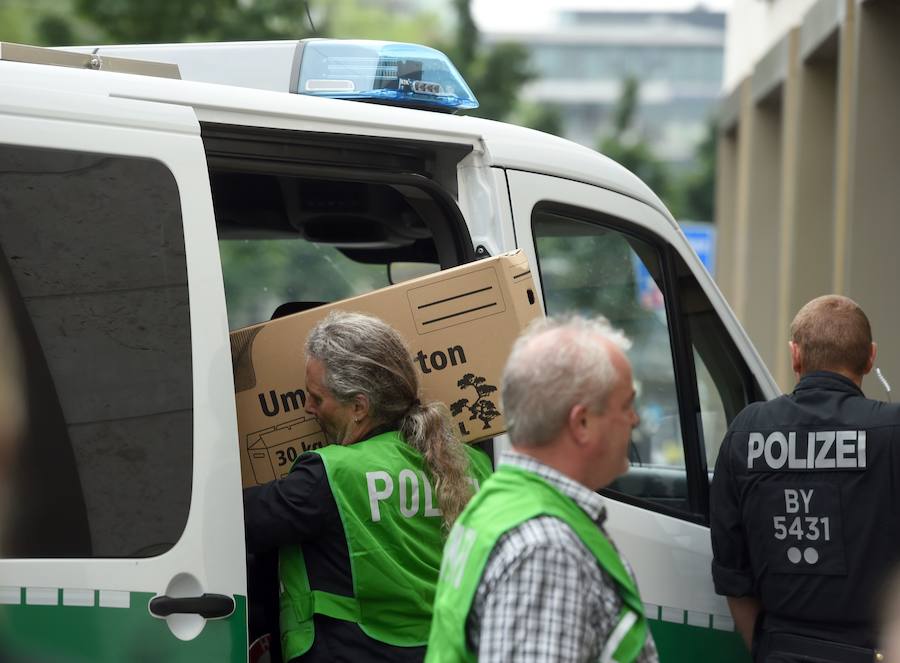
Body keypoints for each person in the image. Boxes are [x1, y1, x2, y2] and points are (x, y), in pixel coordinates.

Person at [244, 311, 493, 663]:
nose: (306, 408)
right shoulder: (475, 466)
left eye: (317, 398)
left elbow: (233, 522)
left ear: (359, 407)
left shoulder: (331, 474)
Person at [427, 316, 658, 663]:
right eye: (626, 405)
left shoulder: (498, 506)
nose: (634, 420)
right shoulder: (547, 548)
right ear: (581, 423)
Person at [710, 294, 900, 662]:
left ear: (795, 354)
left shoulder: (747, 431)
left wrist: (768, 650)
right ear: (870, 356)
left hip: (781, 646)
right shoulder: (891, 433)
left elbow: (733, 574)